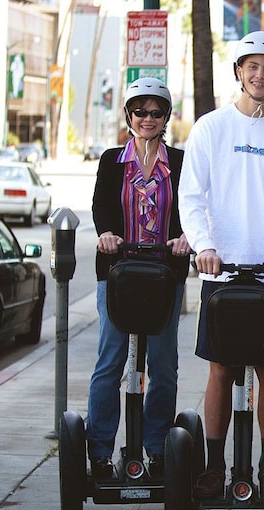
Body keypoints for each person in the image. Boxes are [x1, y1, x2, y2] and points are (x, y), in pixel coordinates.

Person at [178, 30, 264, 499]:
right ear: (238, 71)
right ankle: (215, 467)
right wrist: (204, 245)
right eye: (251, 66)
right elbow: (191, 196)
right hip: (224, 271)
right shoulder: (211, 128)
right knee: (221, 369)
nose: (260, 74)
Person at [88, 77, 190, 479]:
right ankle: (99, 451)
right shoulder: (112, 160)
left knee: (163, 364)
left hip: (165, 276)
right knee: (110, 362)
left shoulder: (180, 162)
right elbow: (100, 207)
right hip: (117, 275)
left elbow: (192, 209)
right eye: (140, 111)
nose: (148, 118)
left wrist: (186, 238)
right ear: (128, 115)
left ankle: (157, 448)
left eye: (156, 112)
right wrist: (106, 234)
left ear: (166, 117)